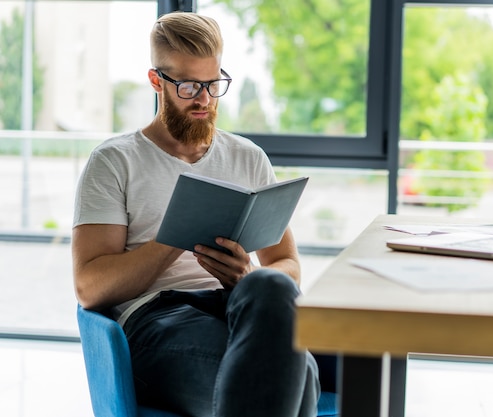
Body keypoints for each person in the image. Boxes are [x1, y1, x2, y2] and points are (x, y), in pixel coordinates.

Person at [72, 11, 320, 417]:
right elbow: (90, 288)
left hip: (237, 304)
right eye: (188, 86)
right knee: (298, 371)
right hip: (155, 318)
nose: (204, 98)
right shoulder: (115, 161)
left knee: (271, 287)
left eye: (212, 83)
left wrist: (246, 275)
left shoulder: (247, 157)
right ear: (157, 82)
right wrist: (176, 236)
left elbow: (287, 264)